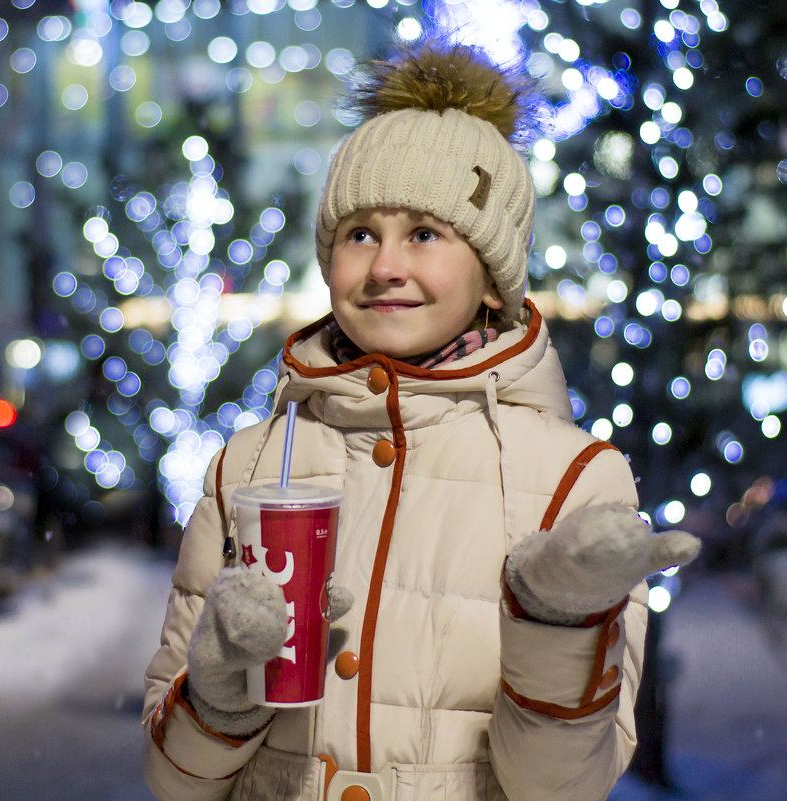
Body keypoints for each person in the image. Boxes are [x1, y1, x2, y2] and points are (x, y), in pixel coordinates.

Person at [142, 39, 700, 801]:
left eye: (426, 234)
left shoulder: (573, 478)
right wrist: (219, 686)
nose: (384, 266)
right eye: (359, 232)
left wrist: (556, 623)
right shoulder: (246, 465)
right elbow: (174, 783)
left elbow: (561, 789)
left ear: (495, 280)